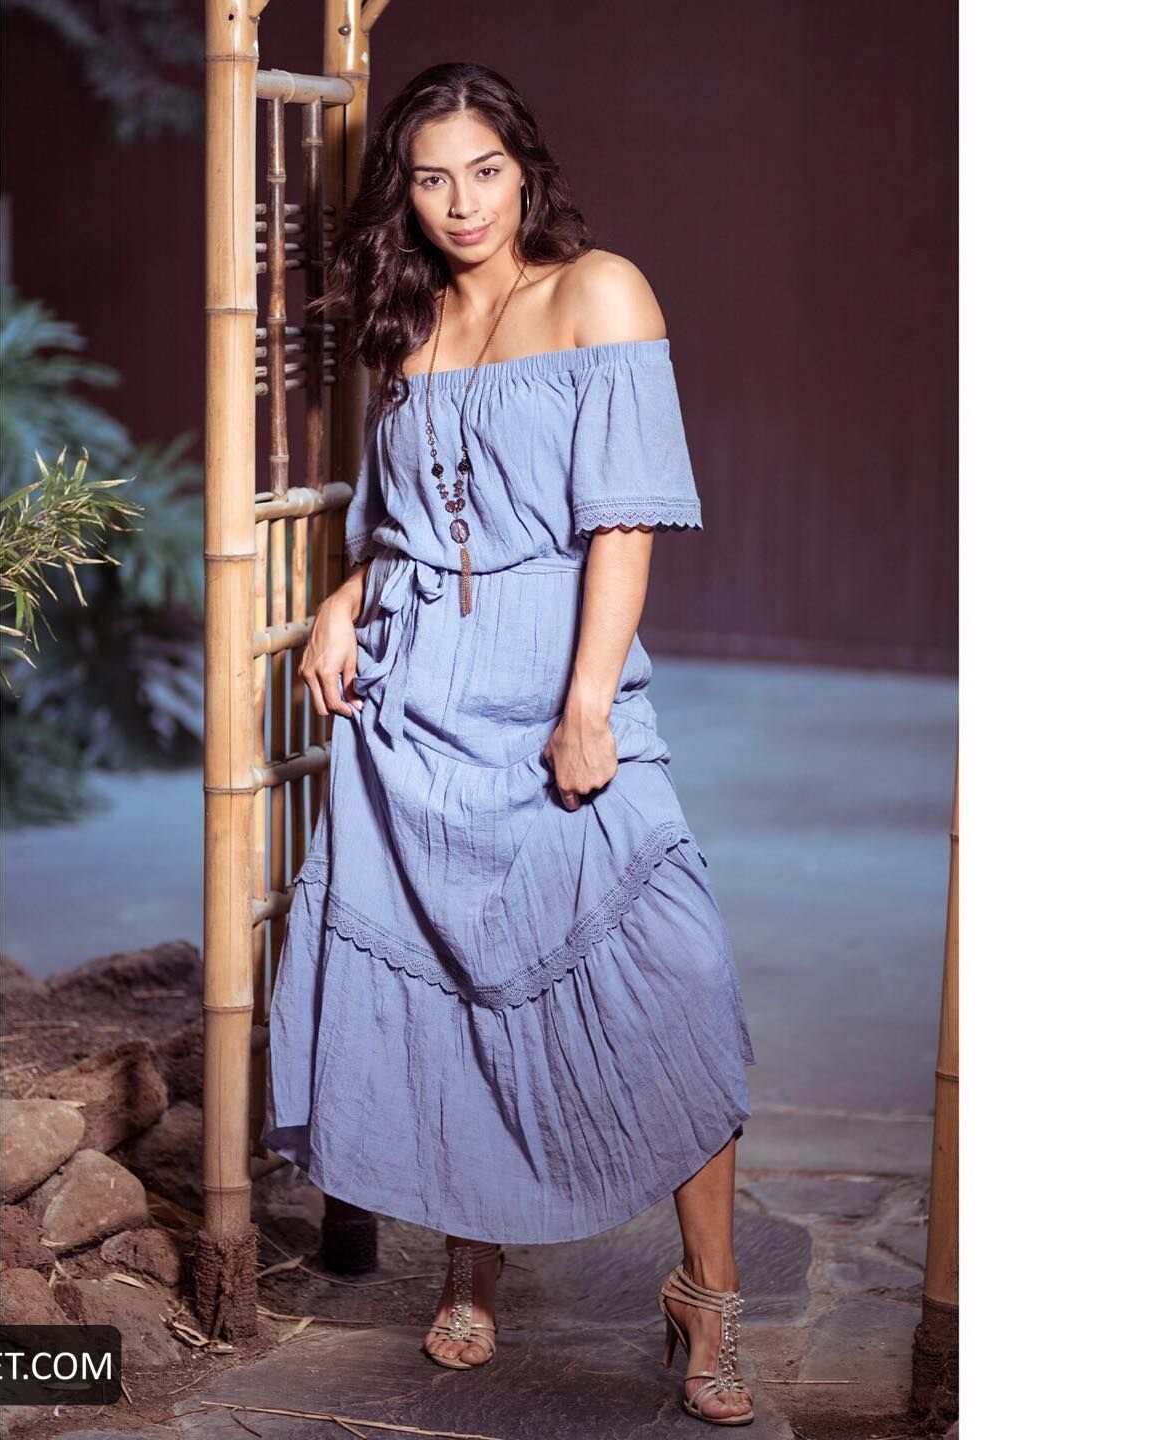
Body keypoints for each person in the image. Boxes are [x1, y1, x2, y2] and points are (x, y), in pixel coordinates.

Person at [262, 61, 758, 1427]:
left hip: (553, 687)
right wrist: (345, 598)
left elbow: (623, 522)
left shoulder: (601, 291)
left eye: (484, 171)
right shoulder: (411, 319)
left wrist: (589, 703)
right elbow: (418, 520)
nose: (462, 203)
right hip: (417, 698)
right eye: (432, 179)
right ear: (405, 194)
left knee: (677, 979)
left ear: (525, 169)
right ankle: (468, 1263)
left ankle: (707, 1294)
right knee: (445, 989)